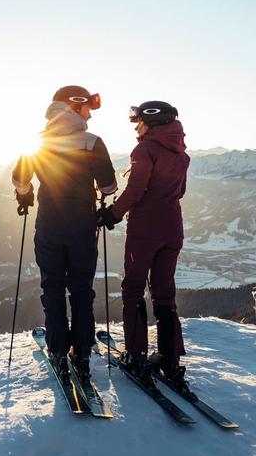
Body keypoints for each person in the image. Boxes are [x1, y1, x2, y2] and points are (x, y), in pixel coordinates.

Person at [13, 85, 117, 383]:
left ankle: (58, 350)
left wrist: (25, 195)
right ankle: (82, 352)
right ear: (75, 106)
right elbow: (109, 186)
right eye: (87, 109)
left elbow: (20, 179)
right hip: (82, 227)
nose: (90, 116)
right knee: (82, 290)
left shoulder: (38, 142)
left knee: (53, 289)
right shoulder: (91, 141)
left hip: (48, 226)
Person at [96, 101, 190, 387]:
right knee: (164, 293)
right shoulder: (181, 154)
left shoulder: (144, 150)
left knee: (134, 289)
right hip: (173, 229)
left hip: (145, 231)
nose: (136, 127)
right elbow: (181, 191)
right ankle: (170, 358)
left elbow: (135, 191)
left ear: (152, 122)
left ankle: (136, 355)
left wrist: (111, 214)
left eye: (138, 122)